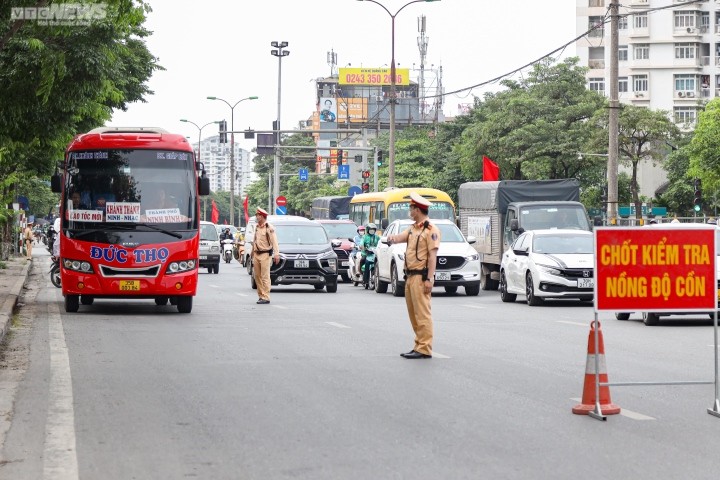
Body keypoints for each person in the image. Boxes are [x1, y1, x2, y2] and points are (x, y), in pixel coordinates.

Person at [385, 192, 441, 359]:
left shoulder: (431, 230)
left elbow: (432, 257)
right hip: (409, 276)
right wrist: (391, 238)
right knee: (413, 313)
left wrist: (429, 279)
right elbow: (400, 237)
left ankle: (424, 348)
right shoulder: (412, 229)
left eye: (411, 208)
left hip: (421, 277)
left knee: (422, 313)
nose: (409, 211)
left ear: (417, 209)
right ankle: (418, 345)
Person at [252, 207, 280, 304]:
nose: (257, 217)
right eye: (256, 215)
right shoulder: (256, 227)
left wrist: (277, 254)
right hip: (256, 254)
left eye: (258, 215)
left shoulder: (269, 228)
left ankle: (266, 297)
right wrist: (252, 254)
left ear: (263, 216)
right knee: (257, 276)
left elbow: (274, 241)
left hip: (265, 254)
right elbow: (254, 241)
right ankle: (261, 295)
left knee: (265, 276)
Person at [360, 223, 380, 288]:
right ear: (368, 230)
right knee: (363, 260)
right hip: (366, 254)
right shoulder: (364, 237)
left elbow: (380, 243)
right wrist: (363, 248)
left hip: (374, 254)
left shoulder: (377, 237)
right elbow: (361, 244)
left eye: (373, 229)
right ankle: (364, 278)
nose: (372, 231)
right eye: (371, 229)